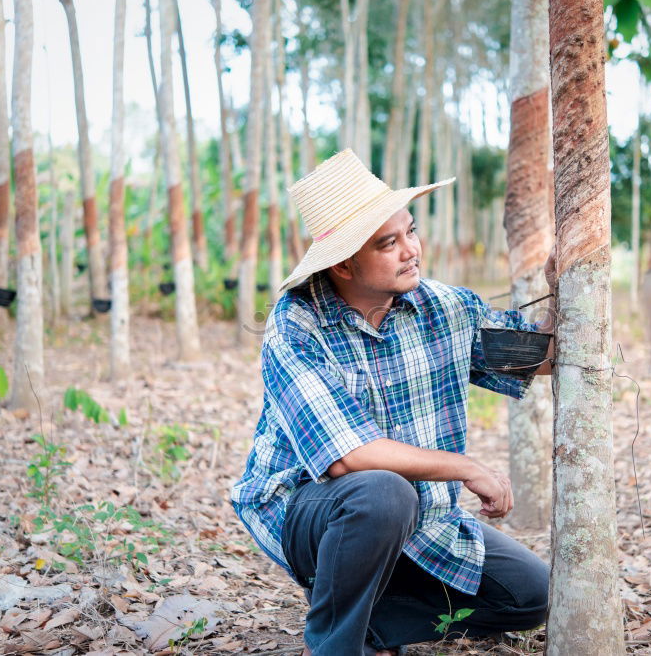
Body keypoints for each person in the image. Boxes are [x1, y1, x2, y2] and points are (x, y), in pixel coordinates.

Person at [230, 149, 556, 656]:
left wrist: (565, 286)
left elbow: (536, 356)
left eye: (411, 231)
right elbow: (346, 456)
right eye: (388, 243)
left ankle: (374, 621)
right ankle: (339, 643)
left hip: (424, 520)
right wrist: (465, 467)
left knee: (532, 595)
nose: (411, 250)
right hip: (310, 511)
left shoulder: (443, 307)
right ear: (343, 263)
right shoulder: (296, 327)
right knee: (382, 493)